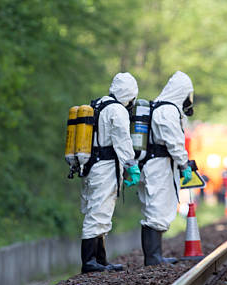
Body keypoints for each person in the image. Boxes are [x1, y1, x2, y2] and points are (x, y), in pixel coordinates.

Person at [80, 72, 140, 273]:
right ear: (129, 94)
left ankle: (101, 260)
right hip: (104, 167)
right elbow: (122, 140)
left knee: (99, 210)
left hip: (92, 166)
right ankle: (89, 262)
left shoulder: (99, 104)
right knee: (98, 212)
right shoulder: (117, 110)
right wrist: (131, 166)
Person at [138, 71, 193, 265]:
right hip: (159, 166)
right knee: (157, 208)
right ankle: (153, 258)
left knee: (153, 207)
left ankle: (155, 256)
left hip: (153, 164)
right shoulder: (167, 111)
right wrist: (184, 163)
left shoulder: (158, 107)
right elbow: (175, 143)